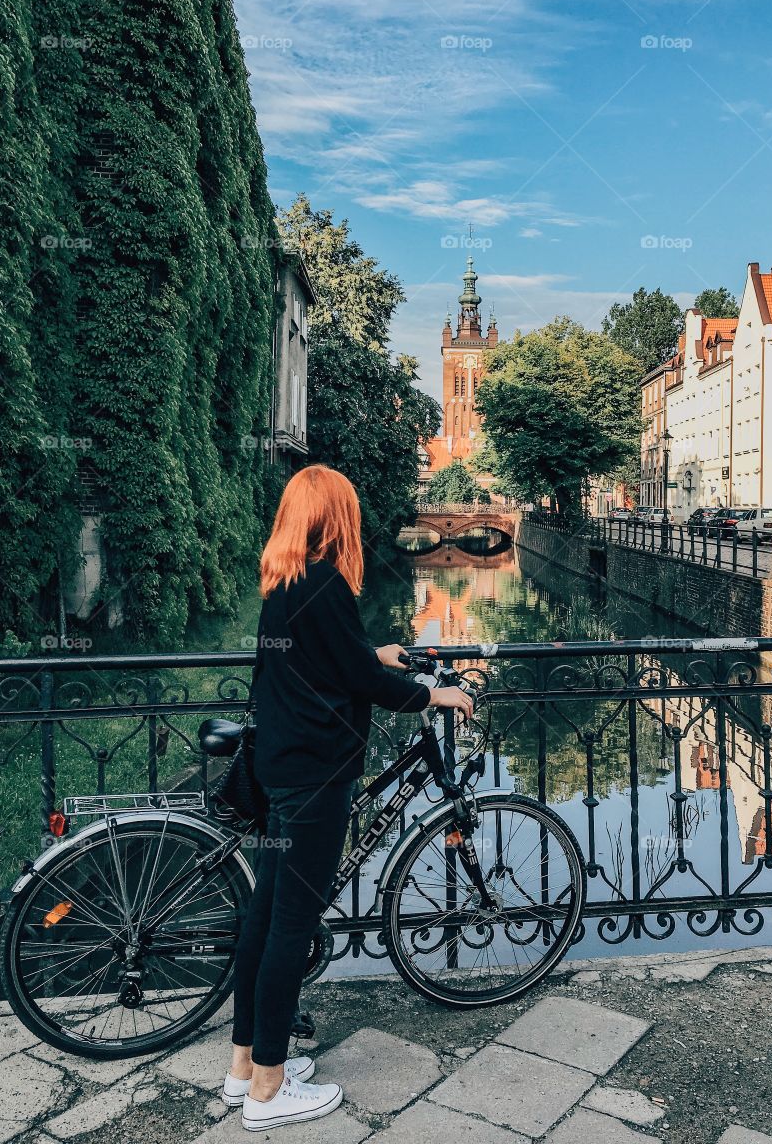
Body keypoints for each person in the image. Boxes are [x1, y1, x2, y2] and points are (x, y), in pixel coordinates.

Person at [224, 464, 473, 1132]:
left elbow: (332, 660)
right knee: (290, 927)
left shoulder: (284, 580)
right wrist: (433, 693)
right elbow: (362, 682)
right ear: (335, 518)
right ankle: (270, 1093)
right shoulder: (327, 582)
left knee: (265, 916)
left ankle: (244, 1065)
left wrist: (378, 652)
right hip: (314, 778)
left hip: (281, 770)